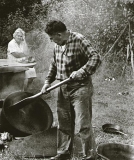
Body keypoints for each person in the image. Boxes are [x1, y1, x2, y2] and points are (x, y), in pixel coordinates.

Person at [41, 20, 101, 160]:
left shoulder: (79, 40)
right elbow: (54, 65)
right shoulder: (58, 45)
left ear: (59, 34)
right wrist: (47, 83)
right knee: (64, 123)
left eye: (51, 38)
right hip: (63, 88)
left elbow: (96, 57)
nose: (51, 41)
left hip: (80, 88)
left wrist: (82, 71)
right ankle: (64, 153)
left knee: (83, 124)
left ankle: (89, 156)